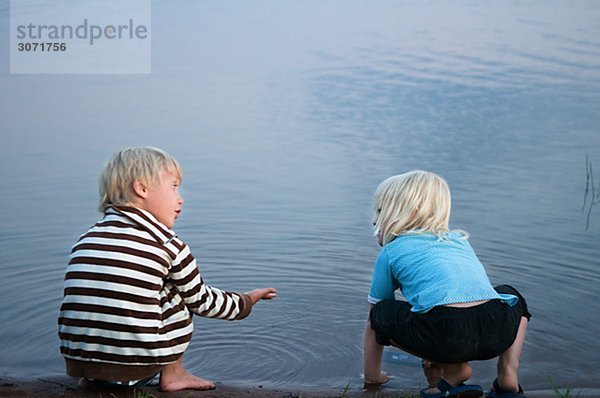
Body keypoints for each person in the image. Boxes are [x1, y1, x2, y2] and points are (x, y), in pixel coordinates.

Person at [58, 147, 277, 392]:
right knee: (178, 294)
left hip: (79, 364)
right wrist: (245, 301)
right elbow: (203, 301)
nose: (180, 198)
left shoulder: (85, 240)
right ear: (141, 189)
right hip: (137, 366)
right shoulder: (167, 244)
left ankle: (93, 378)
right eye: (173, 187)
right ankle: (174, 375)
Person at [363, 170, 531, 398]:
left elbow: (375, 321)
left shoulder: (391, 252)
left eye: (380, 211)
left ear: (404, 212)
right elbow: (466, 298)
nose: (374, 219)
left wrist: (373, 378)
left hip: (444, 335)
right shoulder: (459, 241)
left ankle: (456, 369)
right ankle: (508, 373)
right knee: (509, 295)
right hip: (497, 330)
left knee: (381, 313)